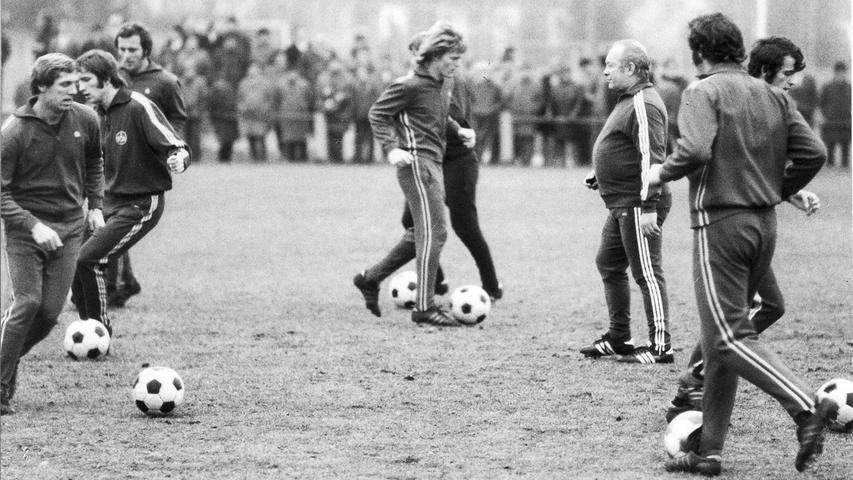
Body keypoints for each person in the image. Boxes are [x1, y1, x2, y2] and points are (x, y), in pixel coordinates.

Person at [646, 14, 830, 475]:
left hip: (721, 225)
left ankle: (806, 407)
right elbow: (814, 153)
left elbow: (694, 151)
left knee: (727, 336)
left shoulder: (701, 91)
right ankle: (709, 452)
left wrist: (659, 173)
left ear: (699, 53)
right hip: (763, 226)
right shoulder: (772, 95)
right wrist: (777, 186)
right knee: (717, 339)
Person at [354, 31, 502, 318]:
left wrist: (460, 130)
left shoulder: (440, 85)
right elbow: (377, 114)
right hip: (417, 163)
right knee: (434, 231)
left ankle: (370, 278)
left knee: (422, 232)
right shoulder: (409, 85)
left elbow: (441, 115)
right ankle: (425, 306)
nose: (458, 64)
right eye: (453, 58)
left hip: (439, 162)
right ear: (435, 57)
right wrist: (390, 148)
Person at [1, 53, 104, 415]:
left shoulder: (86, 119)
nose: (74, 91)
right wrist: (33, 225)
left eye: (77, 83)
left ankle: (5, 362)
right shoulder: (14, 131)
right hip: (25, 230)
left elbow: (94, 161)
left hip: (70, 228)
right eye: (64, 85)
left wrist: (95, 206)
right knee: (26, 302)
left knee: (47, 314)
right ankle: (0, 387)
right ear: (41, 87)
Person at [71, 49, 189, 336]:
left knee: (91, 259)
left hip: (141, 203)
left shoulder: (138, 106)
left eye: (86, 80)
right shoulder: (96, 114)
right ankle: (87, 327)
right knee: (75, 259)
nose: (80, 88)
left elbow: (177, 145)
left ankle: (99, 331)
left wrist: (179, 159)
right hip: (111, 202)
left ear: (107, 79)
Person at [576, 40, 673, 365]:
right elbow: (625, 148)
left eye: (611, 65)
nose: (604, 71)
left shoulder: (644, 102)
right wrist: (601, 173)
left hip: (637, 202)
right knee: (608, 262)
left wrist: (648, 207)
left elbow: (653, 157)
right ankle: (620, 337)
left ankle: (661, 347)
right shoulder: (629, 100)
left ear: (630, 69)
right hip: (622, 202)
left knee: (646, 271)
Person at [110, 21, 189, 307]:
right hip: (115, 161)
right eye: (121, 49)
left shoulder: (166, 82)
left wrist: (169, 150)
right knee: (111, 221)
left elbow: (178, 120)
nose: (126, 55)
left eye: (132, 49)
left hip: (146, 166)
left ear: (146, 50)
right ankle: (121, 283)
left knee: (117, 221)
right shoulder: (114, 78)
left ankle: (118, 283)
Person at [819, 61, 851, 168]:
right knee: (830, 143)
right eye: (838, 72)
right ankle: (830, 163)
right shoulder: (827, 86)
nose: (840, 75)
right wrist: (825, 114)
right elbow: (821, 102)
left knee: (845, 143)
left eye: (843, 72)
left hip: (846, 120)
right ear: (835, 73)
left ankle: (845, 164)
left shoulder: (849, 87)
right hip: (831, 119)